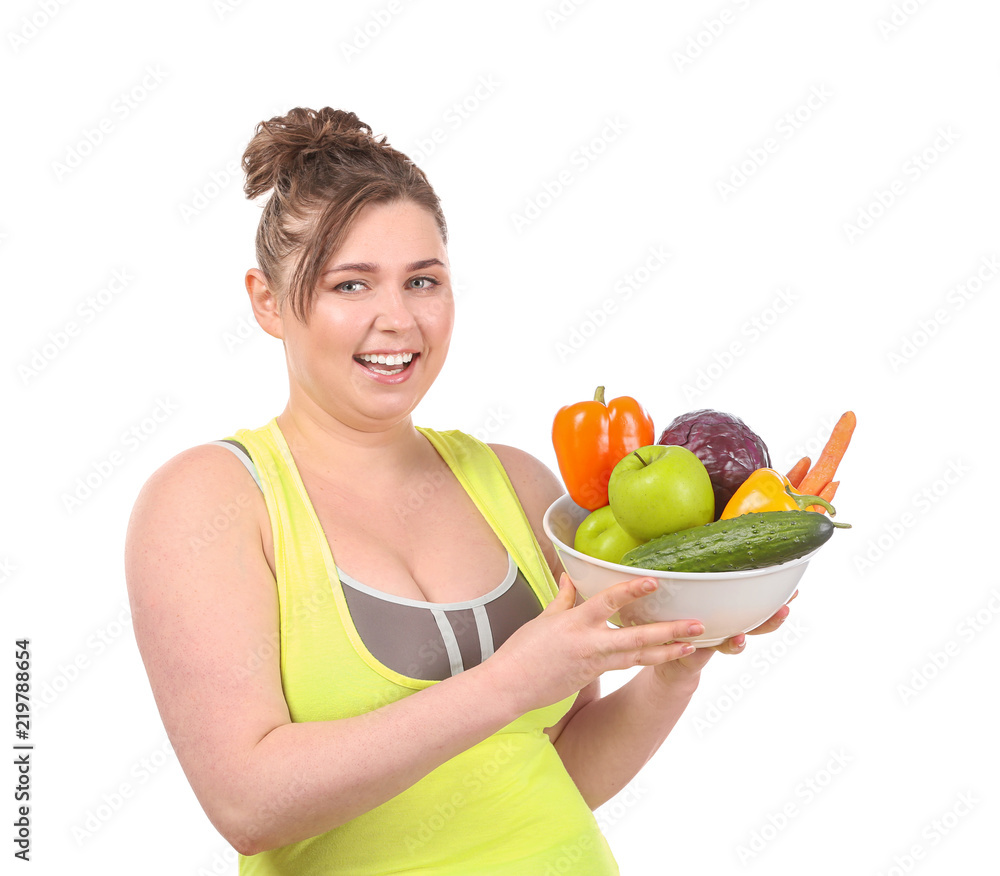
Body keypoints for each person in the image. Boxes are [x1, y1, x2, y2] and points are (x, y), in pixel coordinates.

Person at [124, 106, 791, 875]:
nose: (397, 319)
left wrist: (675, 667)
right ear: (268, 301)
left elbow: (562, 769)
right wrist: (508, 684)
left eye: (423, 281)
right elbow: (246, 802)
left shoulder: (515, 481)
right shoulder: (210, 502)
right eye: (350, 284)